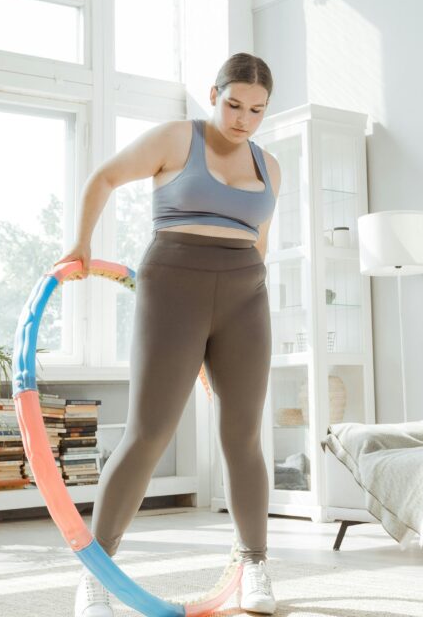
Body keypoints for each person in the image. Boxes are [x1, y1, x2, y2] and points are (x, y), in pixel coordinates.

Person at [59, 52, 282, 617]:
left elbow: (259, 241)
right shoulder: (176, 139)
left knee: (244, 437)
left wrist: (252, 286)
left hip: (244, 295)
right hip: (173, 285)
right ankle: (97, 575)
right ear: (214, 93)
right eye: (234, 104)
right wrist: (83, 244)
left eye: (256, 110)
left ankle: (254, 563)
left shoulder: (270, 165)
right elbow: (104, 177)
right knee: (149, 433)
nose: (243, 119)